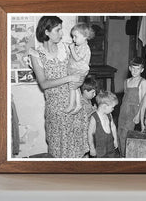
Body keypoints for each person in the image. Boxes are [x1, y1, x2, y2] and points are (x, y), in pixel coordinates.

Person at [29, 16, 83, 158]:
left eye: (61, 30)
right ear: (46, 32)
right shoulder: (36, 54)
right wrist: (69, 78)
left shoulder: (66, 47)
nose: (61, 34)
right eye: (58, 30)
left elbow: (79, 69)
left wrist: (78, 80)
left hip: (74, 106)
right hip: (56, 109)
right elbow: (44, 83)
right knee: (58, 150)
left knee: (76, 150)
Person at [117, 57, 146, 157]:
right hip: (124, 110)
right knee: (120, 132)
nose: (134, 71)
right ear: (130, 68)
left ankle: (128, 156)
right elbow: (125, 98)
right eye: (133, 68)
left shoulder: (142, 82)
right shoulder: (126, 81)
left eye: (137, 69)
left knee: (128, 134)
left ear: (142, 70)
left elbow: (143, 101)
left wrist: (138, 115)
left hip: (134, 111)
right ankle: (122, 155)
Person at [64, 23, 95, 114]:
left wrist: (72, 49)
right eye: (73, 36)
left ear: (85, 37)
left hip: (79, 71)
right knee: (76, 87)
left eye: (75, 37)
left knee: (72, 87)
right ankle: (78, 104)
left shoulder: (85, 48)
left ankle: (71, 105)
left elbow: (77, 58)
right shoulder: (80, 46)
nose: (73, 39)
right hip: (76, 70)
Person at [88, 91, 120, 158]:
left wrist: (115, 140)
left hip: (110, 147)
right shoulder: (94, 118)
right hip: (100, 150)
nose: (113, 109)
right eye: (112, 107)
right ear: (105, 106)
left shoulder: (109, 115)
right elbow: (90, 134)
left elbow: (113, 127)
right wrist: (92, 148)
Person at [79, 77, 98, 156]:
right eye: (93, 92)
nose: (95, 94)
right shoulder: (81, 102)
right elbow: (84, 117)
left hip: (90, 129)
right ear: (85, 91)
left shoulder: (89, 99)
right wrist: (94, 111)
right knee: (84, 150)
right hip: (83, 131)